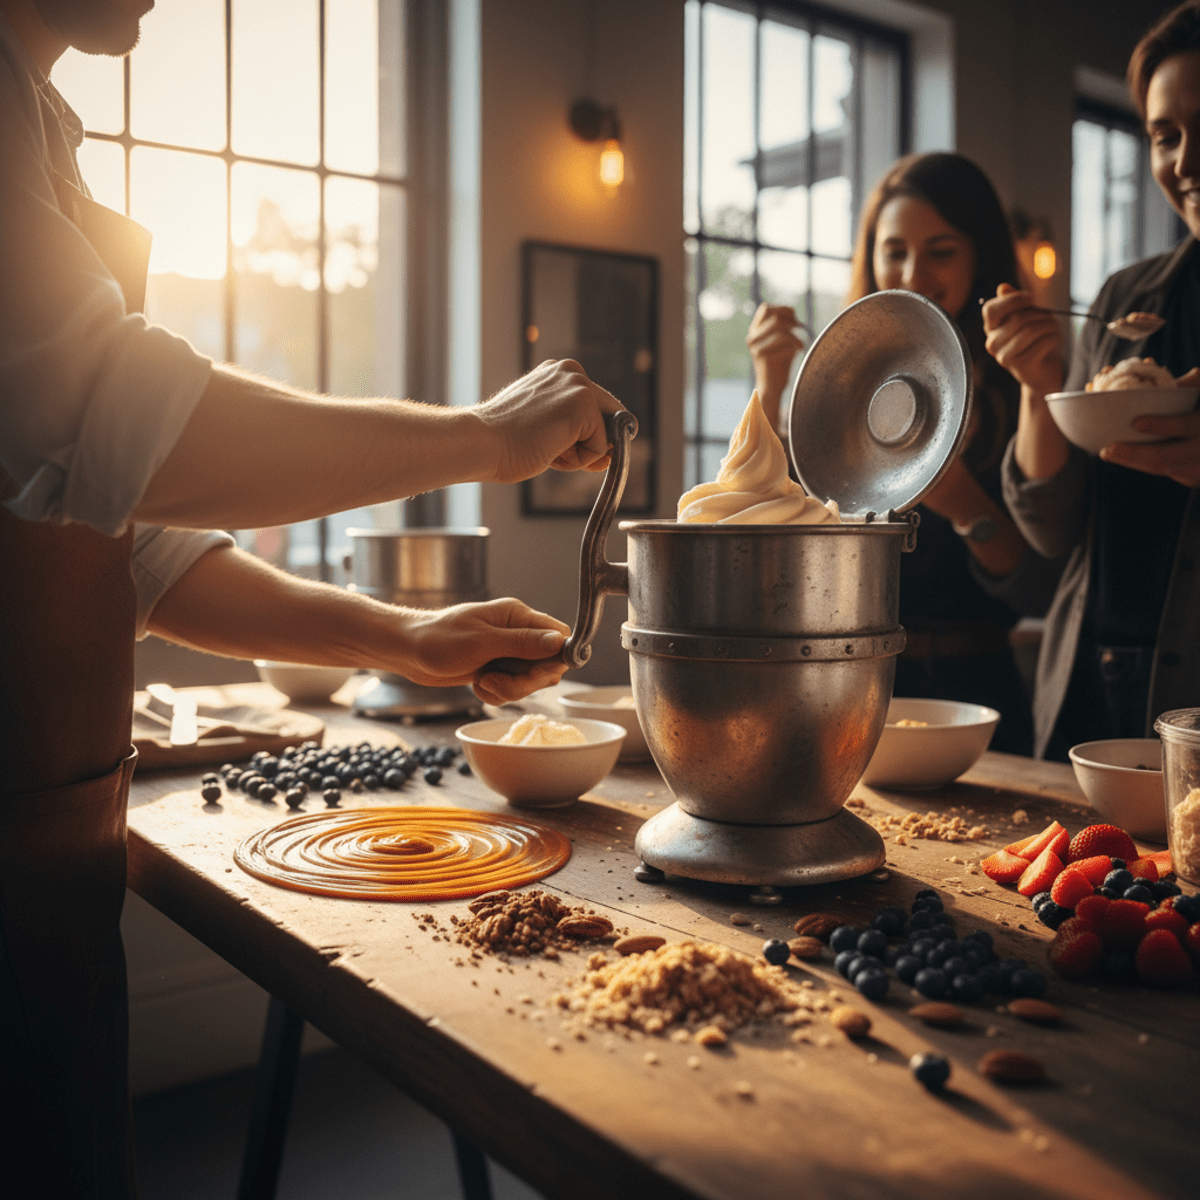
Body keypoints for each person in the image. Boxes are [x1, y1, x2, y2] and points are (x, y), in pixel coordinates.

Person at [0, 1, 623, 1194]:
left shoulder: (43, 130)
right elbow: (119, 424)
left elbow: (126, 544)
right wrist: (485, 438)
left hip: (46, 850)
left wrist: (403, 636)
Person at [747, 153, 1061, 755]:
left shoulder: (1021, 382)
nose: (913, 273)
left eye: (941, 251)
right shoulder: (842, 386)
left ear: (981, 254)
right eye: (894, 251)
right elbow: (759, 535)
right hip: (843, 688)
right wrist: (769, 387)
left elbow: (1041, 590)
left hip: (973, 701)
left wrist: (960, 498)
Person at [984, 0, 1200, 762]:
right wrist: (1039, 383)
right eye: (1165, 135)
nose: (1185, 162)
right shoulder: (1124, 300)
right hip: (1094, 672)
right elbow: (1050, 528)